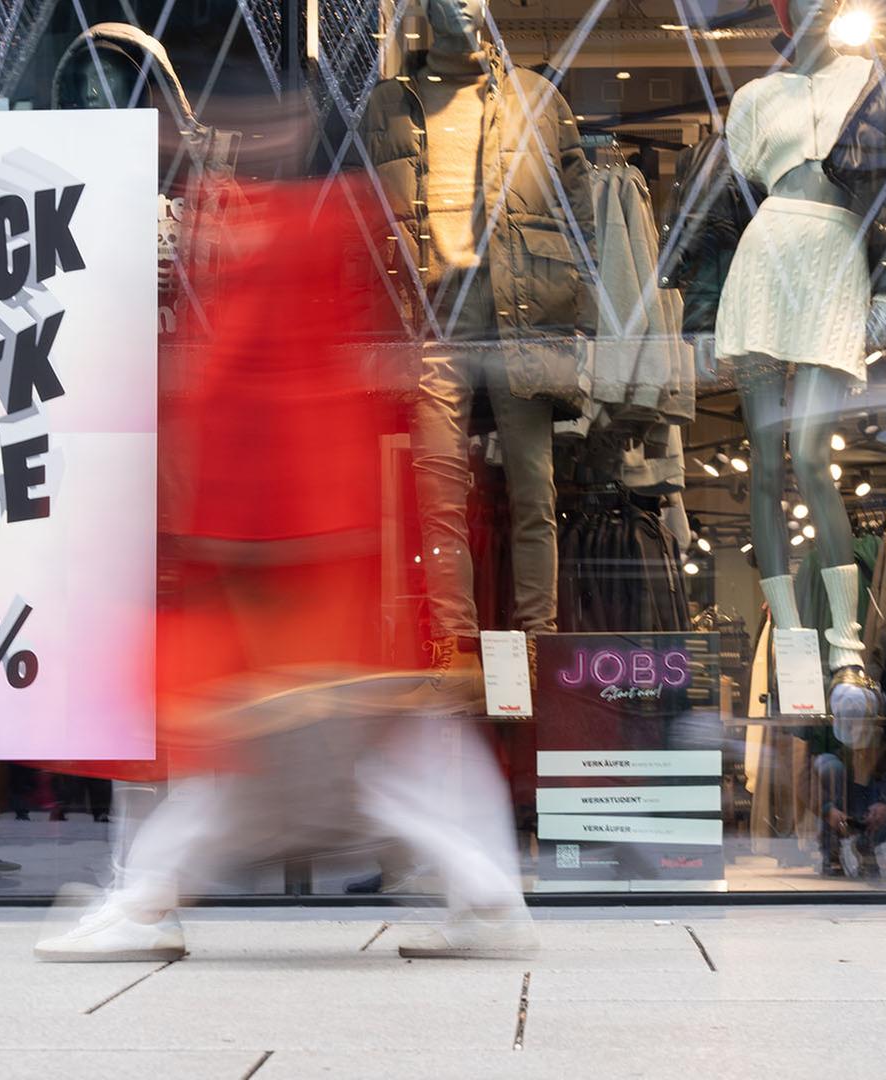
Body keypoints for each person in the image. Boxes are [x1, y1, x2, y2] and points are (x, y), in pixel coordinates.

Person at [33, 174, 535, 962]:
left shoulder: (273, 238)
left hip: (279, 544)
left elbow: (246, 399)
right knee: (336, 752)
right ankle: (484, 890)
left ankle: (145, 900)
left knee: (264, 747)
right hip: (314, 537)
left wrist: (222, 542)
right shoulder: (325, 237)